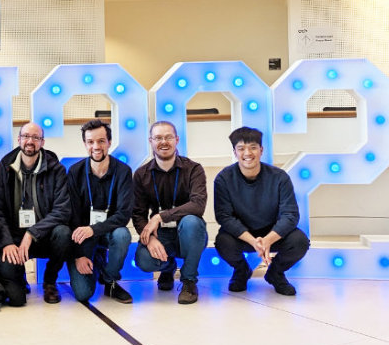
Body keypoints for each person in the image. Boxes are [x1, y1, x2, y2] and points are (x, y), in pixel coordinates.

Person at [214, 126, 310, 296]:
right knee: (223, 242)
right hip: (243, 235)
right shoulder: (224, 178)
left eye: (253, 147)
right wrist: (254, 241)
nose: (247, 153)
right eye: (241, 148)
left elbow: (291, 215)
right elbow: (224, 217)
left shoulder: (279, 177)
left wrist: (267, 240)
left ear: (261, 150)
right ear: (235, 152)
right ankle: (241, 271)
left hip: (274, 234)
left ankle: (275, 273)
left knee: (300, 241)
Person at [0, 122, 72, 305]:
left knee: (63, 232)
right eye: (26, 136)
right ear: (18, 139)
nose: (30, 141)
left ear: (42, 142)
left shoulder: (56, 170)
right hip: (14, 238)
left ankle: (49, 281)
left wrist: (32, 232)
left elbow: (62, 210)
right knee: (17, 299)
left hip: (45, 235)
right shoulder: (4, 169)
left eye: (35, 137)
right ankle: (20, 278)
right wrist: (7, 242)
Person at [132, 121, 209, 304]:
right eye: (158, 138)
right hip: (160, 235)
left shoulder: (194, 169)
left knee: (192, 221)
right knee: (143, 260)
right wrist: (149, 238)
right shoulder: (141, 175)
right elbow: (138, 214)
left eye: (168, 137)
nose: (163, 142)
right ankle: (168, 267)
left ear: (177, 140)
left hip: (189, 233)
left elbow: (198, 205)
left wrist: (160, 216)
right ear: (150, 141)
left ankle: (188, 281)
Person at [64, 120, 134, 303]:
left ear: (109, 142)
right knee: (83, 294)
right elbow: (72, 217)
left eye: (101, 141)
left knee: (122, 235)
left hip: (108, 232)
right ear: (85, 144)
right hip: (82, 237)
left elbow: (123, 214)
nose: (96, 147)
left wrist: (94, 229)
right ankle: (97, 260)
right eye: (90, 142)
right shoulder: (75, 172)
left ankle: (110, 280)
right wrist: (79, 254)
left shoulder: (123, 171)